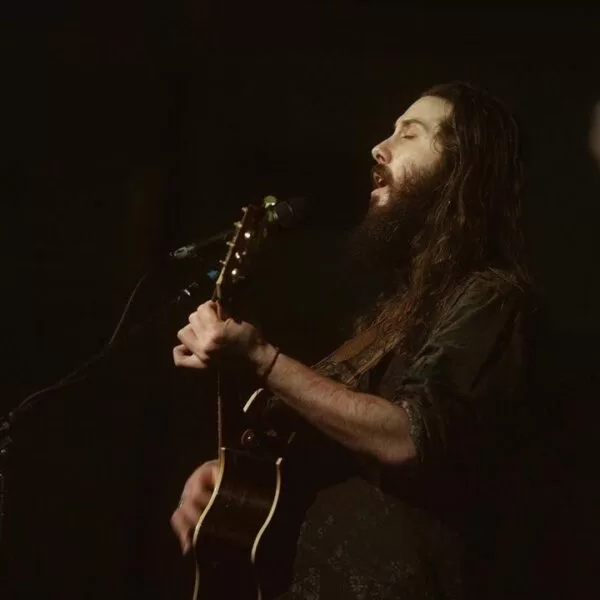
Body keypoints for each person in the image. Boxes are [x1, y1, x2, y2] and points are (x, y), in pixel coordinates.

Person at [170, 81, 537, 600]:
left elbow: (408, 439)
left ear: (463, 169)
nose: (378, 148)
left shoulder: (490, 298)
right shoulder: (392, 313)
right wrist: (232, 483)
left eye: (409, 134)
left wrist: (263, 360)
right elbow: (336, 448)